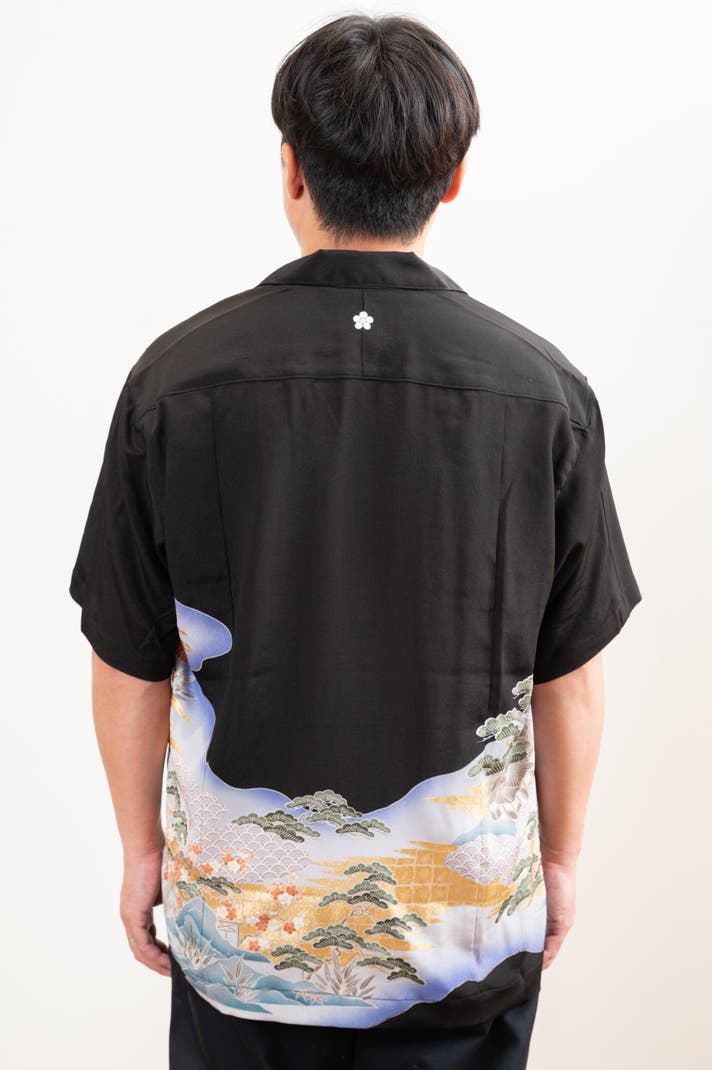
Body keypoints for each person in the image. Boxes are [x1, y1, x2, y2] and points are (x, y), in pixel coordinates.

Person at [68, 13, 642, 1070]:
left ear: (291, 169)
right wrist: (560, 859)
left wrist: (141, 853)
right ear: (453, 178)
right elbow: (570, 672)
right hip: (466, 936)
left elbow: (126, 658)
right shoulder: (543, 394)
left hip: (243, 936)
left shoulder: (177, 383)